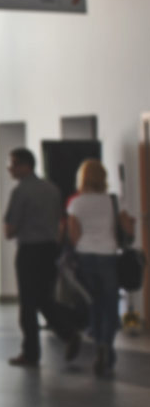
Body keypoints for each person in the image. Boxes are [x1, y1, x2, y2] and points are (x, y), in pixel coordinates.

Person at [4, 148, 80, 368]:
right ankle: (67, 333)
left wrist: (13, 228)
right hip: (50, 250)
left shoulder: (20, 192)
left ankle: (31, 353)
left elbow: (10, 229)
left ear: (25, 165)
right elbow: (60, 221)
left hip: (29, 251)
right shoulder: (52, 189)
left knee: (28, 303)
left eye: (13, 164)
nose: (10, 169)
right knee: (44, 298)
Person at [67, 159, 135, 375]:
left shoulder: (76, 203)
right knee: (110, 303)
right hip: (108, 255)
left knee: (93, 303)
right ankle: (107, 344)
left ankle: (98, 344)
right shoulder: (113, 201)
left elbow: (73, 234)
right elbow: (128, 228)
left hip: (85, 256)